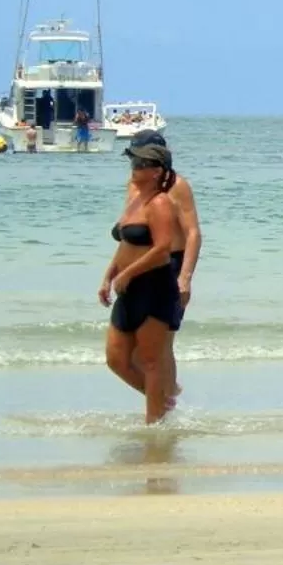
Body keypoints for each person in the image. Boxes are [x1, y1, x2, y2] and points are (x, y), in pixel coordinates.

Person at [100, 142, 184, 424]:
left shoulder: (160, 203)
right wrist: (109, 274)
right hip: (129, 287)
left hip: (154, 287)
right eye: (133, 163)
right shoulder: (135, 197)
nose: (133, 169)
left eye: (140, 165)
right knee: (116, 359)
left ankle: (155, 426)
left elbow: (162, 249)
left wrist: (128, 273)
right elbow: (125, 242)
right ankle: (162, 402)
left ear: (156, 171)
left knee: (150, 360)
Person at [126, 130, 202, 406]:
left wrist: (185, 277)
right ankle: (165, 396)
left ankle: (164, 405)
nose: (135, 164)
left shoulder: (177, 186)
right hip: (142, 267)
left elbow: (193, 233)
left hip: (171, 267)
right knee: (132, 349)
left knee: (160, 344)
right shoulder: (134, 185)